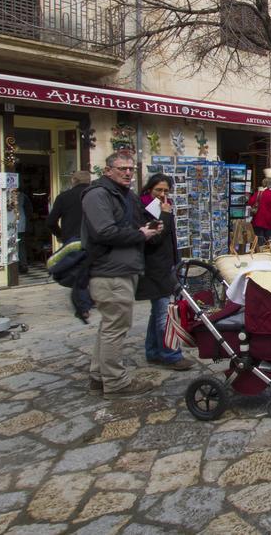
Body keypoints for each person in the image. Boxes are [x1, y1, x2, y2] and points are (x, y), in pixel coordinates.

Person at [83, 153, 161, 398]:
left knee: (110, 325)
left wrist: (154, 226)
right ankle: (116, 382)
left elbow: (134, 223)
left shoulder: (125, 195)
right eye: (122, 169)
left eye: (131, 169)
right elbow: (104, 232)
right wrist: (140, 235)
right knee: (115, 327)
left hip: (123, 269)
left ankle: (98, 377)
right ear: (108, 170)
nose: (128, 173)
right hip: (109, 271)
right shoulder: (98, 194)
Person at [137, 174, 194, 371]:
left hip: (166, 264)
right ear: (149, 189)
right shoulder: (147, 209)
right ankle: (171, 355)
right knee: (164, 314)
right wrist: (165, 215)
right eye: (158, 190)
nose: (162, 195)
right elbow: (154, 239)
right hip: (155, 267)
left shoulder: (163, 207)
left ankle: (153, 351)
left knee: (157, 312)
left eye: (166, 191)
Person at [48, 170, 91, 243]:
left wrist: (60, 235)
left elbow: (50, 222)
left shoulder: (63, 197)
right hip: (93, 241)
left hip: (71, 240)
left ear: (73, 180)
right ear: (89, 181)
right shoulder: (98, 195)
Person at [248, 174, 271, 246]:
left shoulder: (258, 194)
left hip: (257, 222)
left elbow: (250, 203)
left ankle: (259, 255)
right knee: (270, 243)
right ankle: (268, 255)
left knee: (258, 243)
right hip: (269, 223)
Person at [16, 190, 33, 274]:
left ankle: (16, 265)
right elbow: (29, 211)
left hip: (10, 225)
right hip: (21, 224)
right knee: (21, 245)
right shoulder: (23, 196)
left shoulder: (4, 193)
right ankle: (23, 265)